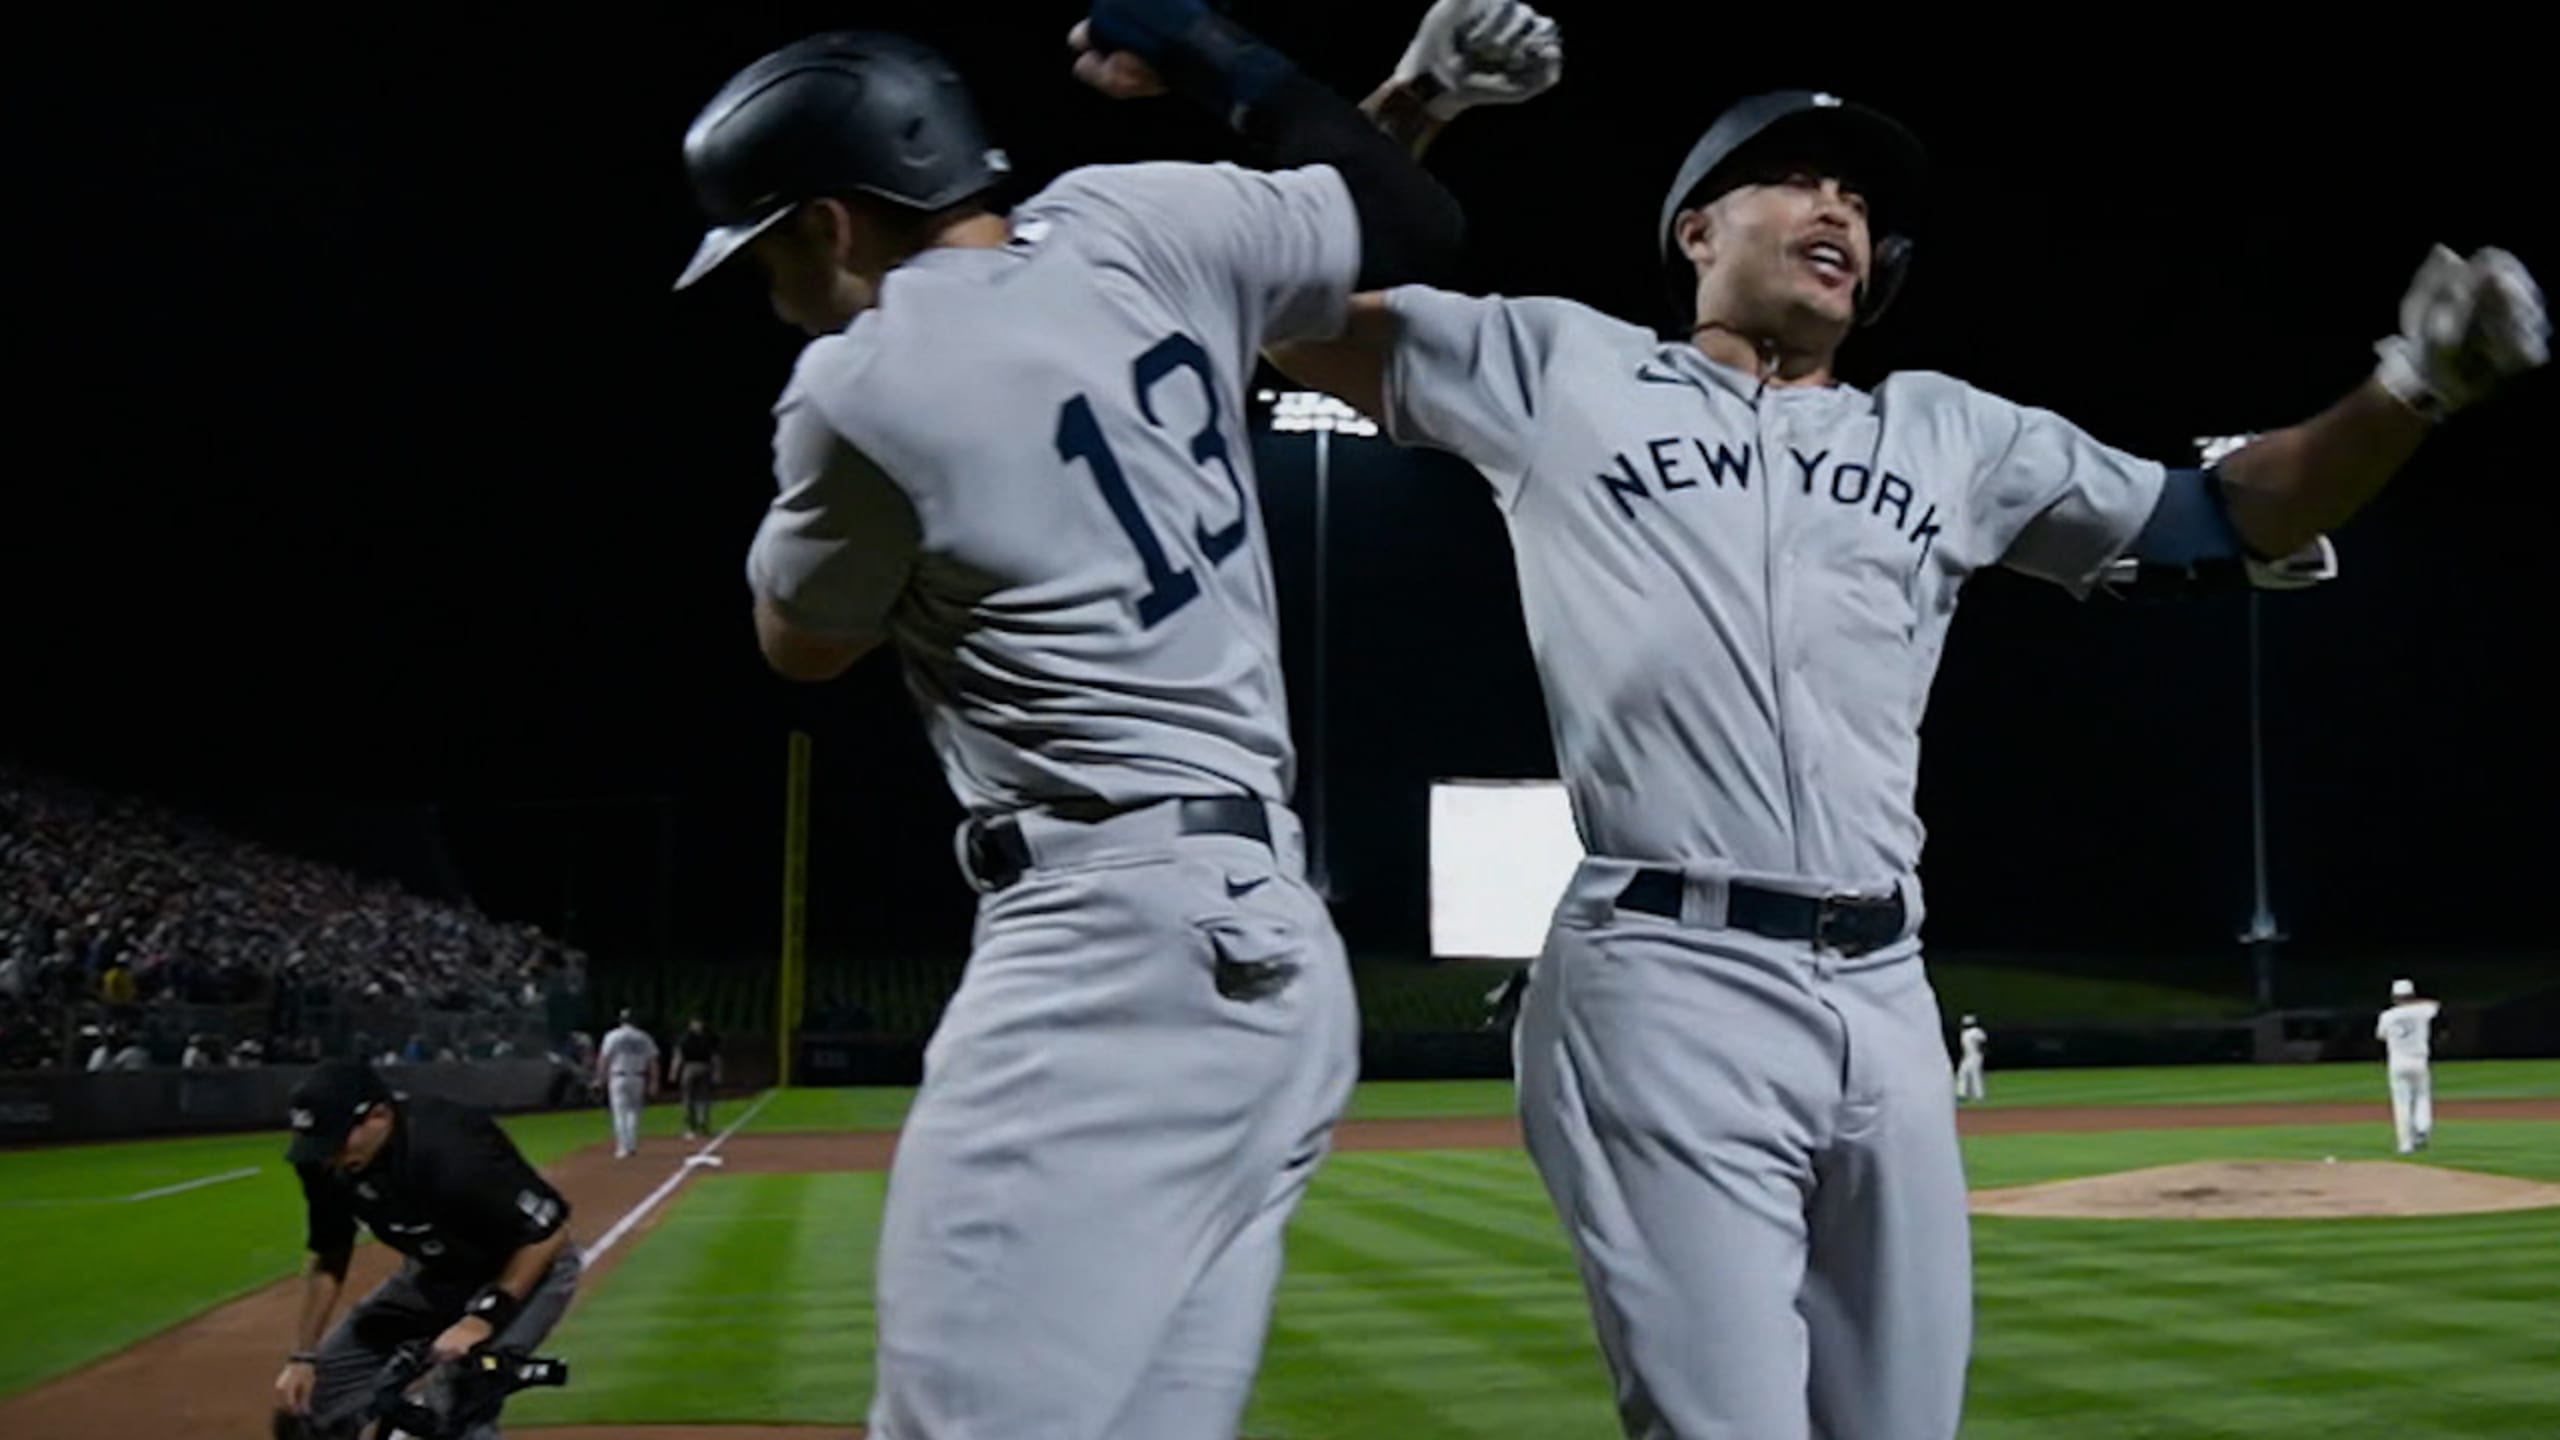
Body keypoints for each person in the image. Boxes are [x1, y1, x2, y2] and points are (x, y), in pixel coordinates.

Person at [1268, 82, 2548, 1440]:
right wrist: (1411, 103)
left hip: (1884, 988)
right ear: (1695, 230)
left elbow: (2225, 516)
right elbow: (1288, 317)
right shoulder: (1558, 365)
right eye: (1798, 180)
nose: (1841, 209)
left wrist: (2414, 387)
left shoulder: (1949, 433)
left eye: (1864, 203)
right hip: (1666, 974)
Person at [669, 4, 1546, 1434]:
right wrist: (1357, 80)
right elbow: (1392, 213)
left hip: (1102, 945)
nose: (769, 292)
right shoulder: (1135, 223)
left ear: (829, 224)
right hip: (1269, 945)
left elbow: (803, 643)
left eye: (765, 254)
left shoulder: (857, 383)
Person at [271, 1059, 579, 1440]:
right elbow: (331, 1251)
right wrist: (303, 1356)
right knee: (314, 1400)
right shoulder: (326, 1162)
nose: (326, 1155)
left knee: (458, 1399)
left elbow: (546, 1232)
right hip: (439, 1270)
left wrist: (483, 1319)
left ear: (379, 1116)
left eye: (334, 1140)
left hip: (523, 1267)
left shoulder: (451, 1152)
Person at [2377, 978, 2440, 1154]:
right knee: (2422, 1096)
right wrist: (2414, 1002)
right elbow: (2435, 1005)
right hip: (2419, 1060)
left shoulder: (2387, 1015)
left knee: (2401, 1103)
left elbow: (2381, 1035)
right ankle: (2422, 1127)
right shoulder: (2422, 1010)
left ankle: (2405, 1145)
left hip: (2397, 1061)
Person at [595, 1009, 658, 1160]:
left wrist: (599, 1078)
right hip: (638, 1077)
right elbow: (653, 1061)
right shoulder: (644, 1037)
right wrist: (654, 1082)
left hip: (618, 1076)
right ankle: (632, 1145)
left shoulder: (612, 1036)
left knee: (620, 1113)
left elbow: (604, 1058)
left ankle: (623, 1147)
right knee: (634, 1112)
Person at [668, 1016, 721, 1141]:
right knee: (695, 1098)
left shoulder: (688, 1037)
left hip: (695, 1068)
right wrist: (674, 1071)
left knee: (695, 1098)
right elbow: (679, 1055)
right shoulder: (705, 1037)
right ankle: (697, 1126)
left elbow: (714, 1057)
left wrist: (674, 1072)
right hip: (697, 1067)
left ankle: (696, 1126)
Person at [1955, 1013, 1988, 1104]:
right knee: (1962, 1073)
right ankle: (1962, 1094)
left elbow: (1983, 1042)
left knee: (1975, 1075)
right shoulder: (1964, 1033)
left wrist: (1981, 1053)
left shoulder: (1976, 1031)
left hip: (1975, 1055)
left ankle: (1979, 1096)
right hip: (1967, 1055)